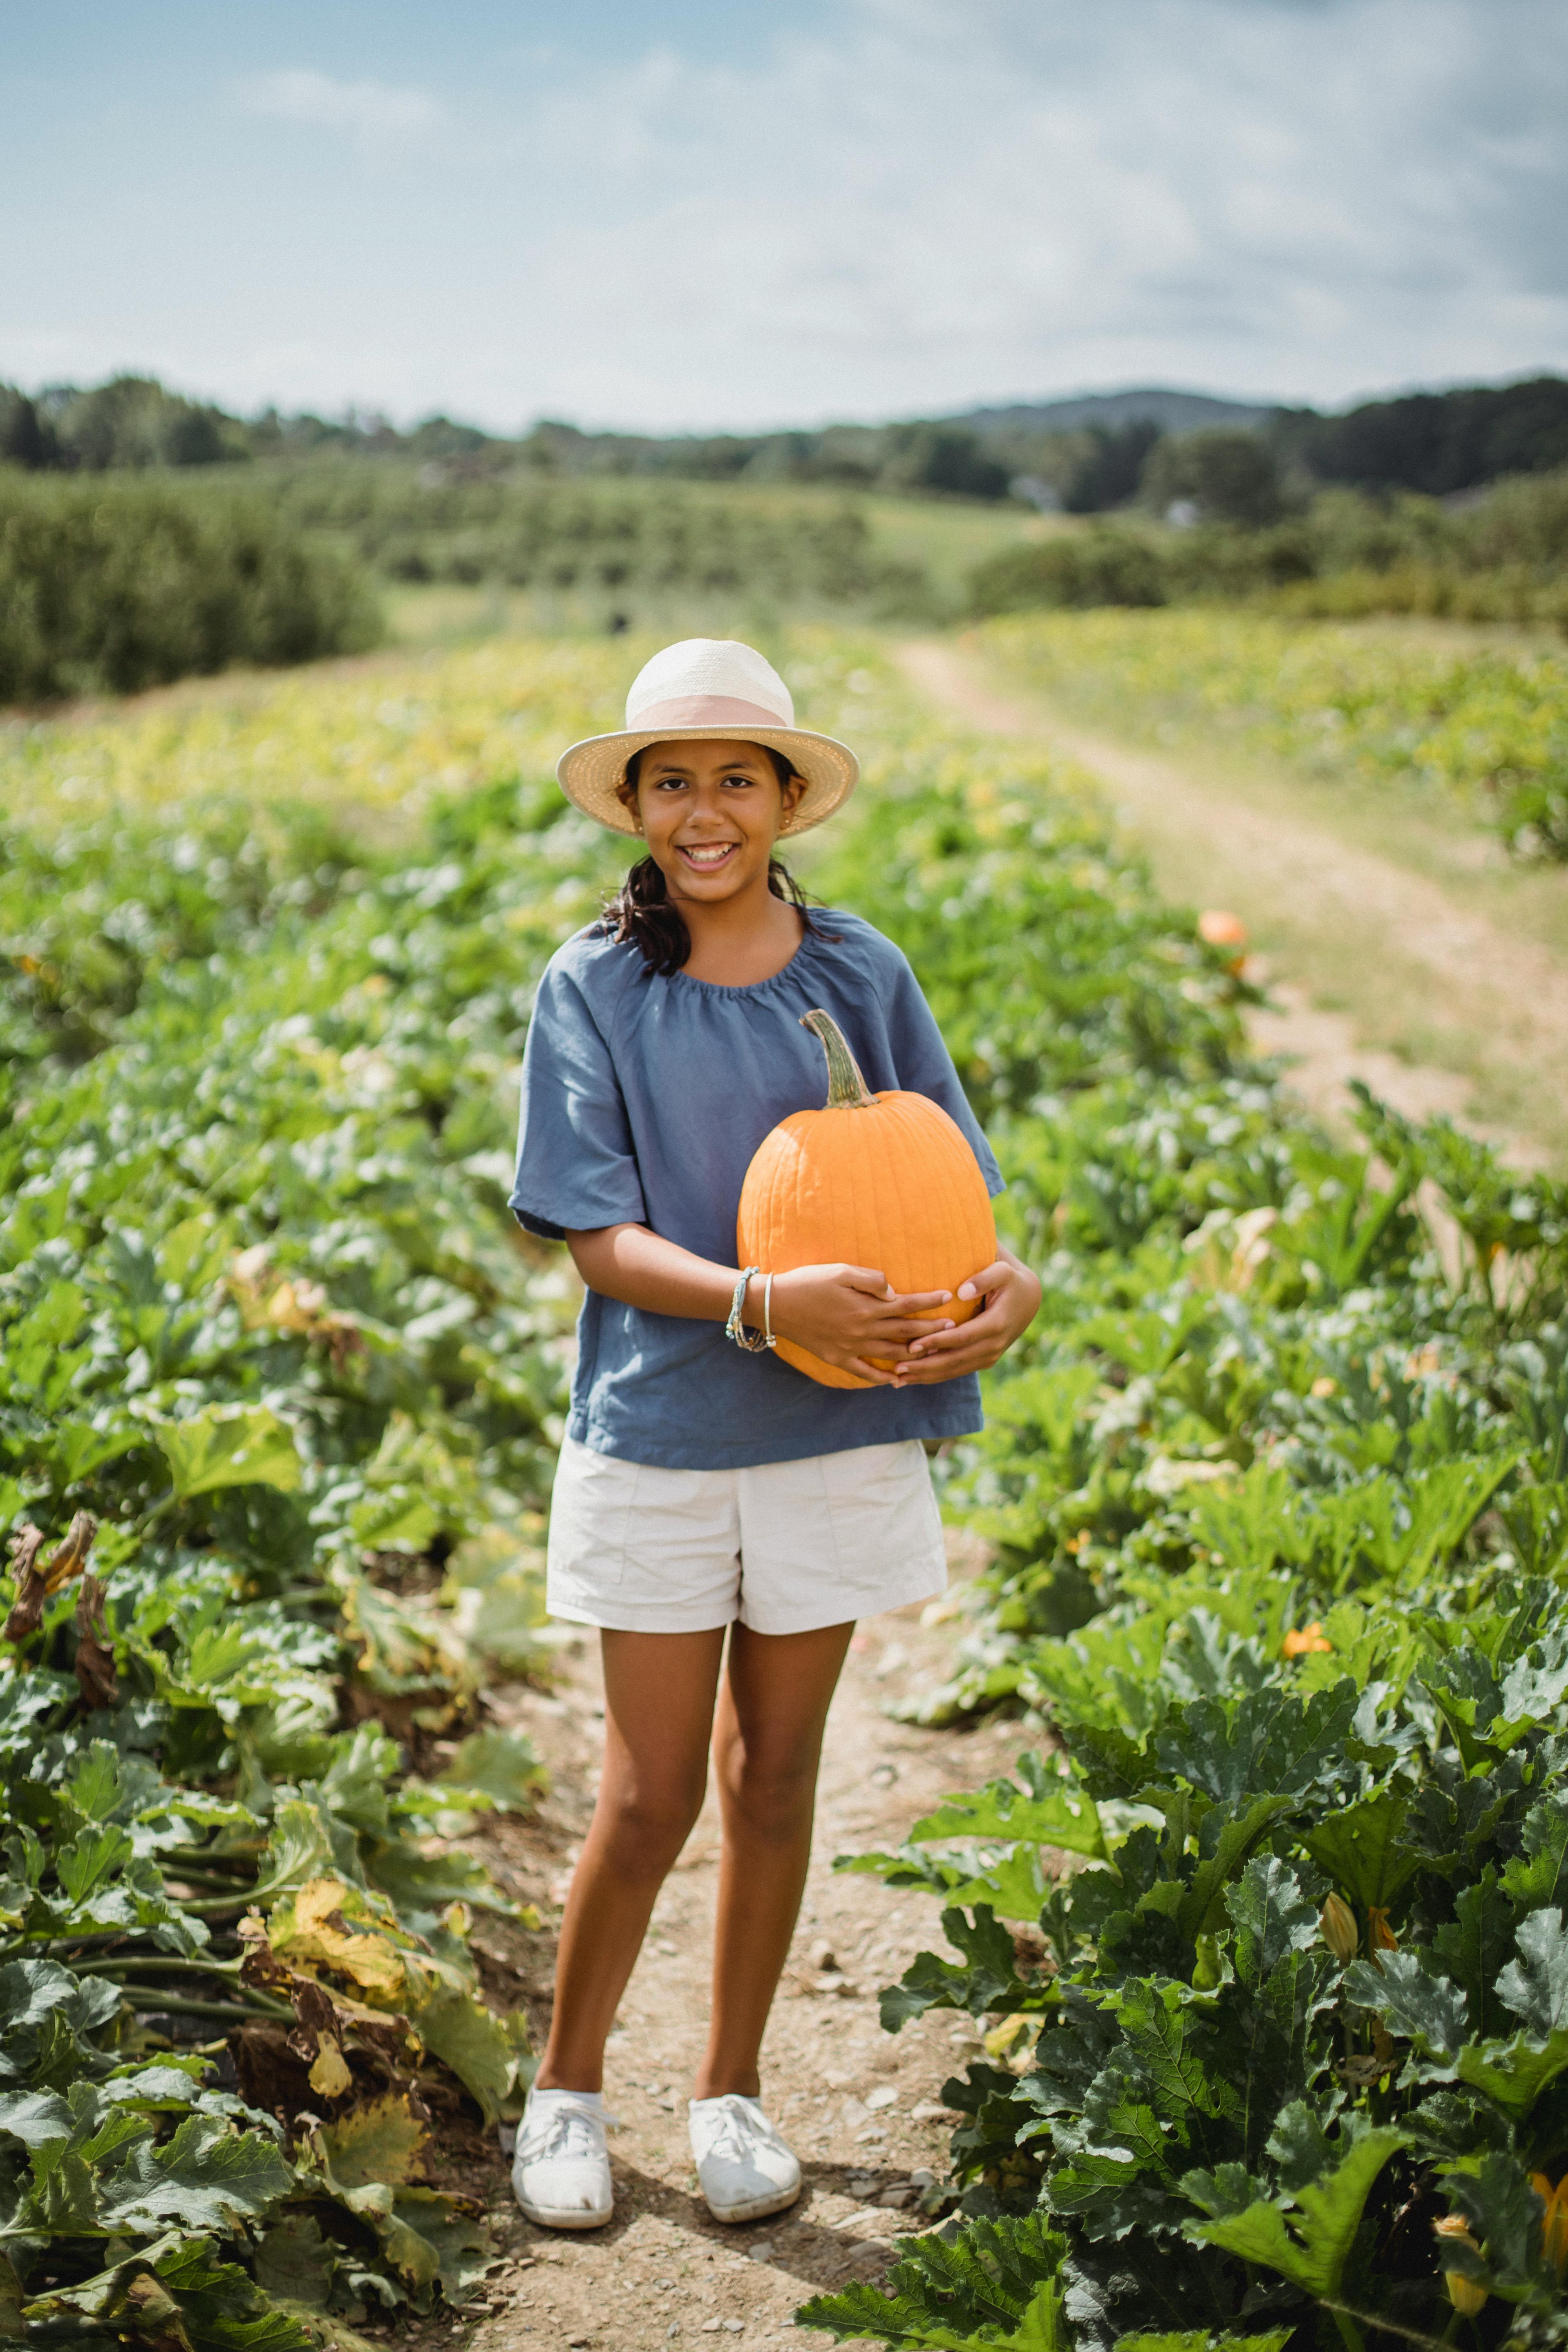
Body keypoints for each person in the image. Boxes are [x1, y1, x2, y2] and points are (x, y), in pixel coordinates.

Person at [507, 638, 1041, 2231]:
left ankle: (731, 2085)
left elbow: (953, 1187)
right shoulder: (592, 986)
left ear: (787, 793)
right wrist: (764, 1301)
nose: (705, 808)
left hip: (838, 1433)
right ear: (639, 802)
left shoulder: (862, 973)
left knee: (779, 1766)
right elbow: (595, 1235)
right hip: (662, 1431)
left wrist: (1007, 1295)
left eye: (738, 775)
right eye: (673, 778)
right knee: (651, 1787)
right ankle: (567, 2087)